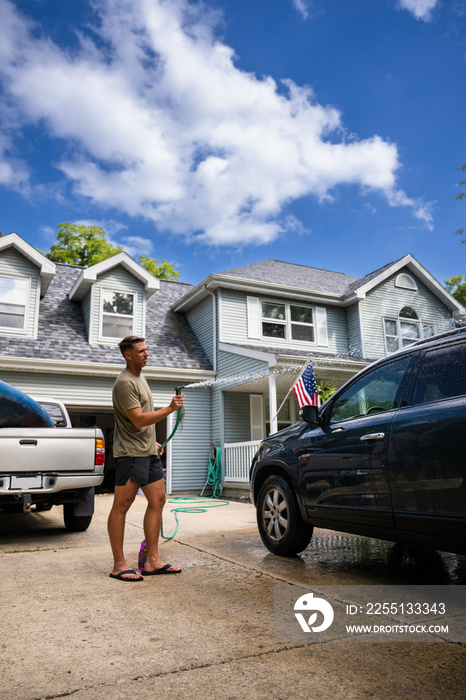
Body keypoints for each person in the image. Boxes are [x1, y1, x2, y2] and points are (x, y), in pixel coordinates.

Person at [108, 335, 184, 581]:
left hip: (148, 452)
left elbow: (142, 423)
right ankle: (119, 565)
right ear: (127, 355)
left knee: (158, 500)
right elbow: (138, 419)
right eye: (141, 351)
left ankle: (152, 561)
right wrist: (170, 409)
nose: (146, 354)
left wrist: (153, 442)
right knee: (121, 507)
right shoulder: (125, 383)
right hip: (130, 455)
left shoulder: (141, 378)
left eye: (146, 350)